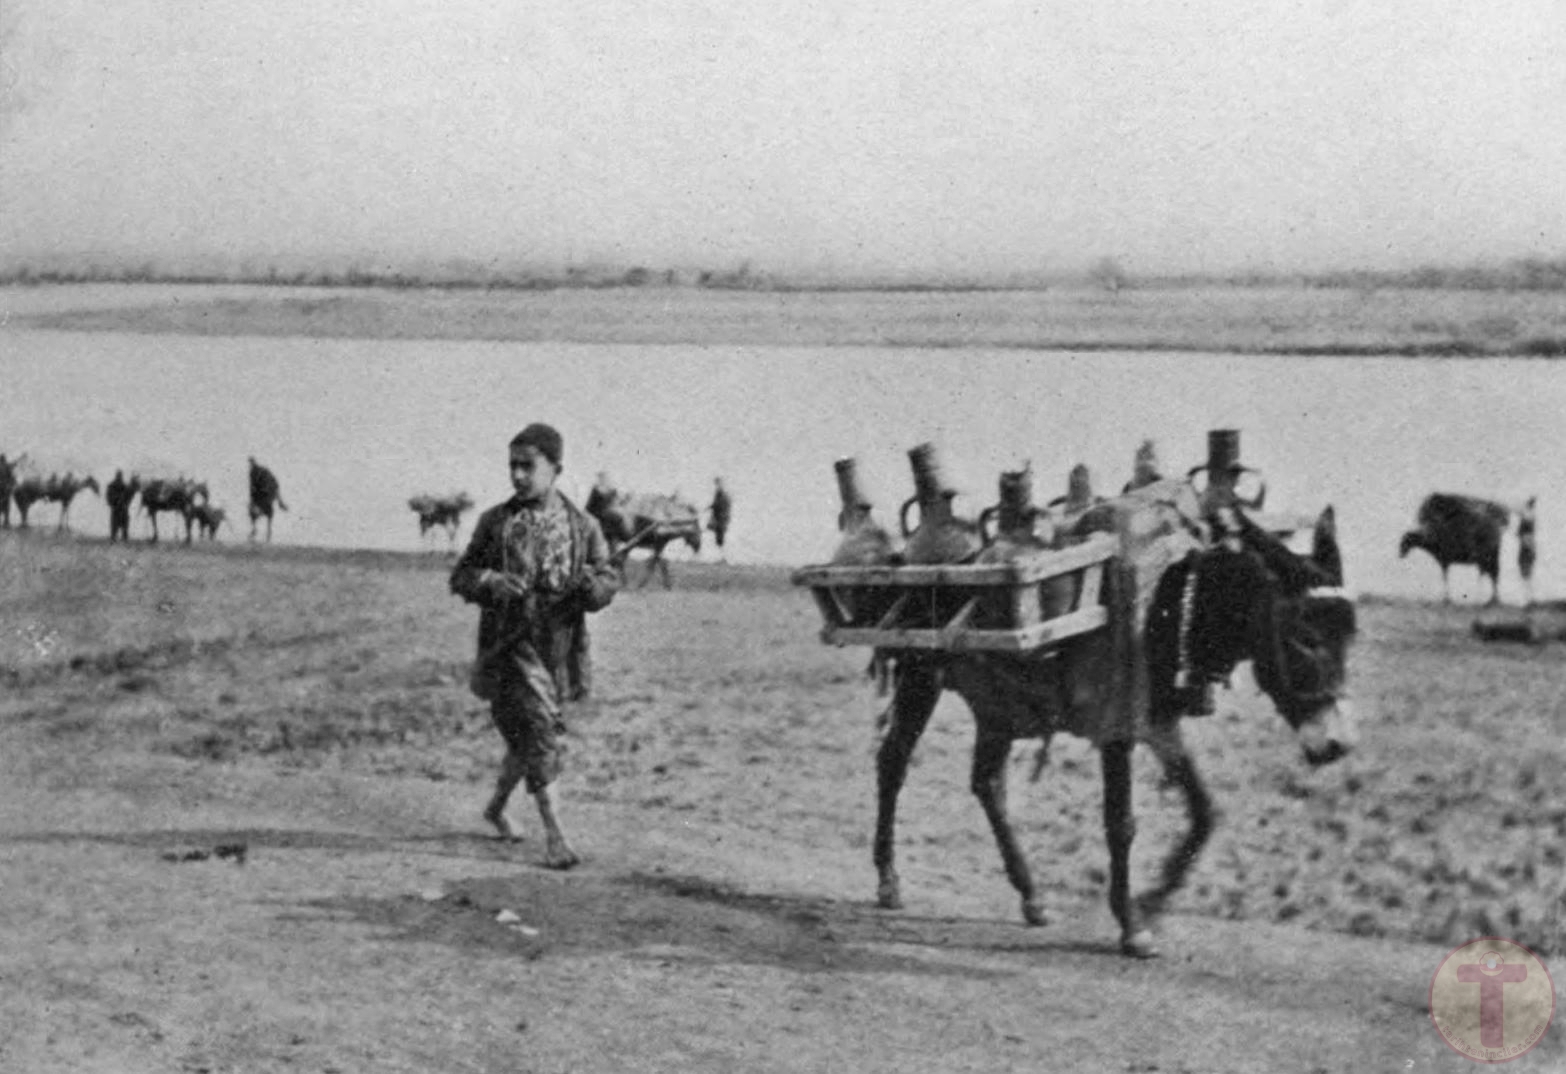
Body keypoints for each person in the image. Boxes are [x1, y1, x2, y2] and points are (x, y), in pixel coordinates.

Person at [449, 423, 620, 868]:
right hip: (509, 647)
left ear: (556, 468)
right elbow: (462, 575)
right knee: (543, 734)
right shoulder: (495, 523)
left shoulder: (584, 526)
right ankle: (556, 837)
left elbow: (607, 579)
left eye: (528, 466)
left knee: (526, 739)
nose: (518, 475)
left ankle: (496, 808)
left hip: (558, 649)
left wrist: (592, 588)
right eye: (513, 466)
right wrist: (492, 581)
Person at [106, 469, 134, 542]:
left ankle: (124, 536)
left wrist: (126, 503)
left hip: (123, 508)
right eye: (119, 475)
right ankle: (114, 537)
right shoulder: (112, 485)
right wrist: (116, 500)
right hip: (116, 507)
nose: (120, 477)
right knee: (114, 524)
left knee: (125, 522)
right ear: (116, 476)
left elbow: (128, 496)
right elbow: (109, 496)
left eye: (120, 476)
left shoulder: (125, 486)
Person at [707, 476, 732, 558]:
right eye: (716, 484)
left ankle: (723, 556)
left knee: (720, 537)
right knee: (718, 537)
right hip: (719, 517)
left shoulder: (723, 493)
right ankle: (721, 555)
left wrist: (712, 506)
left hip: (721, 518)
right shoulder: (718, 493)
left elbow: (721, 504)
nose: (717, 485)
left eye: (718, 483)